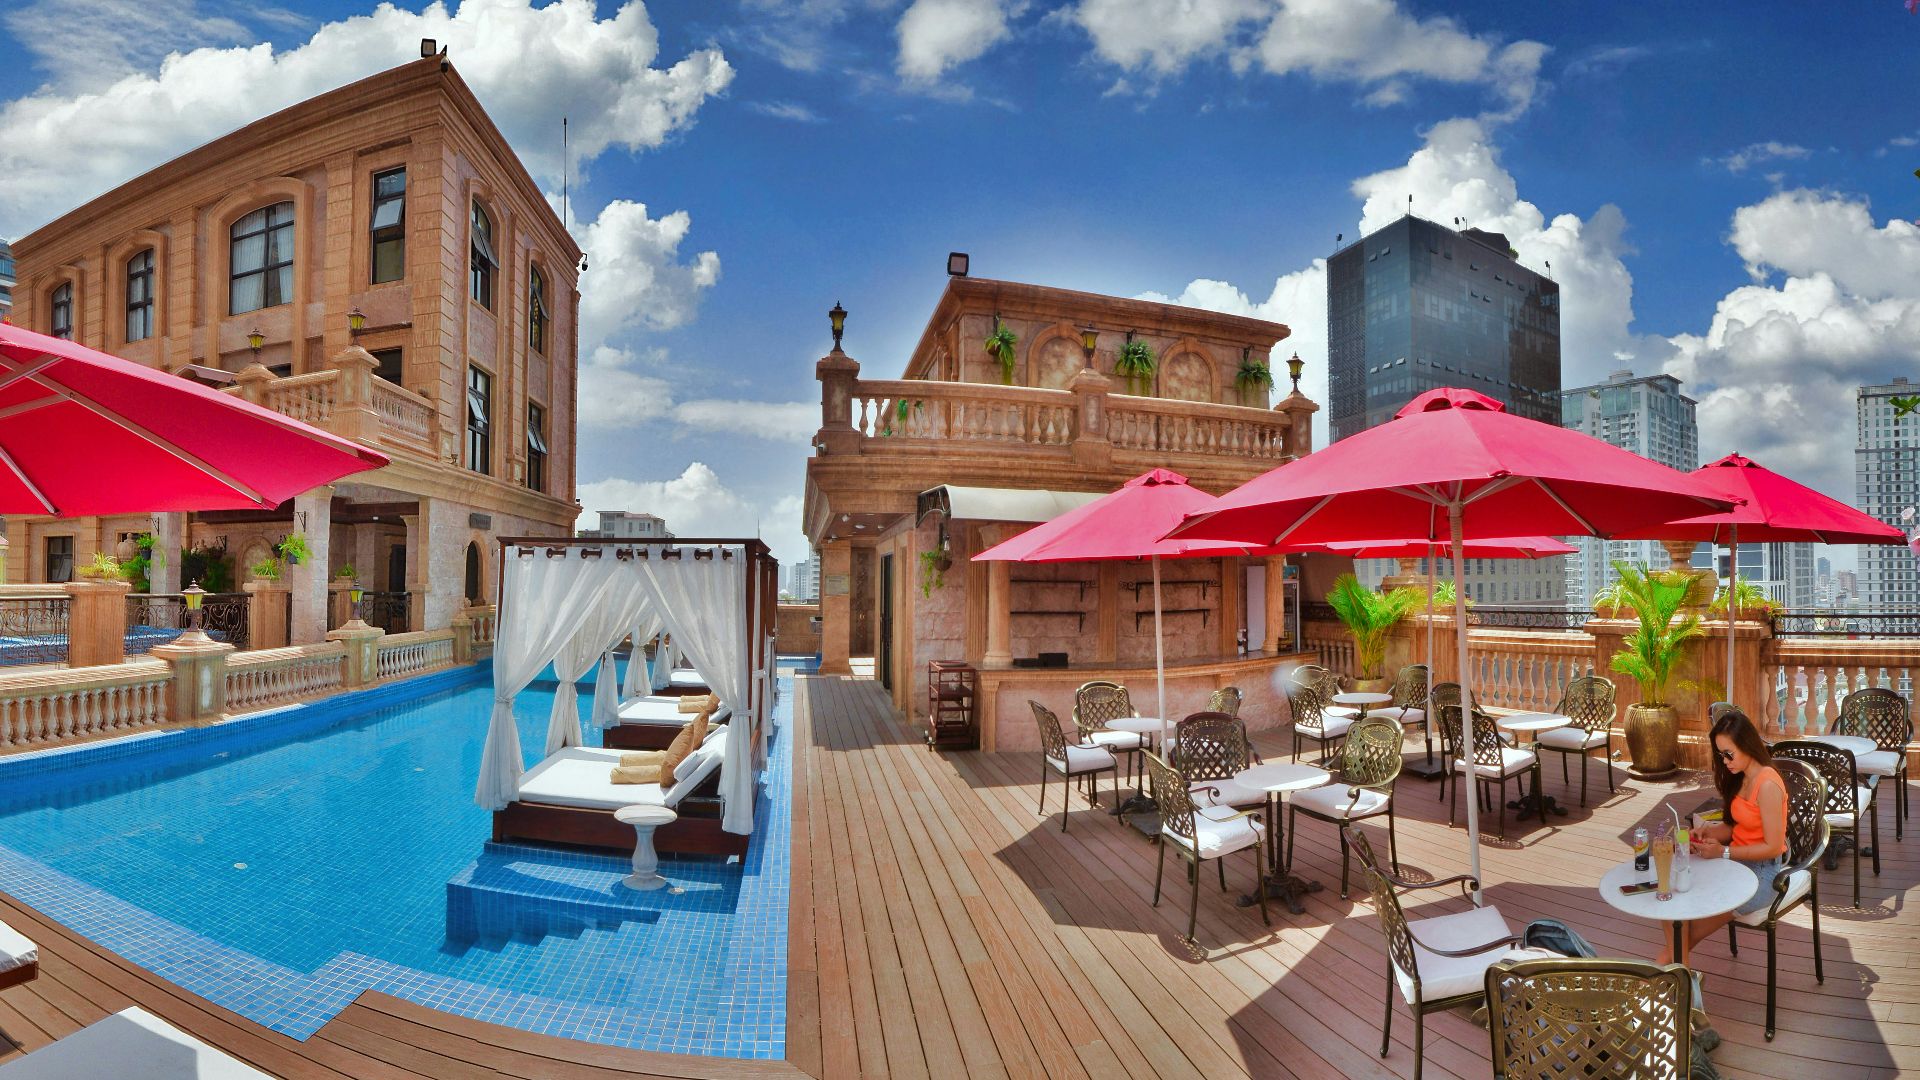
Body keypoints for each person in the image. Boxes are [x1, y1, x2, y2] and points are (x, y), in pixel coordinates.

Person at [1659, 707, 1788, 965]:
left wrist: (1724, 851)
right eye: (1721, 755)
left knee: (1684, 929)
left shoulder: (1768, 785)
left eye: (1729, 754)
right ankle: (1681, 984)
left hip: (1762, 876)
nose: (1725, 762)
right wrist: (1707, 832)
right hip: (1734, 866)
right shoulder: (1740, 778)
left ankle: (1664, 981)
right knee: (1673, 897)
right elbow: (1735, 827)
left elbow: (1774, 847)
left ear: (1746, 745)